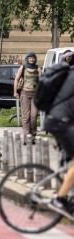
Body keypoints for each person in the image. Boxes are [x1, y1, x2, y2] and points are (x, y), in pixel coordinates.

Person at [42, 51, 74, 217]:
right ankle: (60, 199)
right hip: (60, 122)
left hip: (58, 120)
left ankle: (67, 194)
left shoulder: (70, 72)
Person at [14, 51, 40, 144]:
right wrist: (15, 92)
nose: (31, 59)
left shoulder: (38, 68)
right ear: (27, 59)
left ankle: (33, 137)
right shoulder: (23, 67)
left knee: (33, 117)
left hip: (35, 95)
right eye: (30, 58)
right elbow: (16, 79)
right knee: (26, 117)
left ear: (35, 59)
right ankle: (26, 138)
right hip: (25, 94)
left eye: (33, 58)